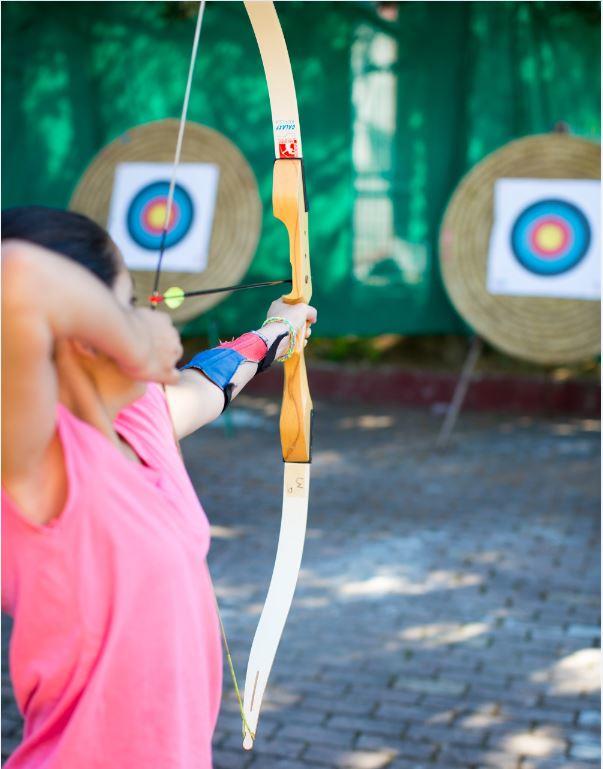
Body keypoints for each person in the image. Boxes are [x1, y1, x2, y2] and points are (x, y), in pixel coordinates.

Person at [1, 206, 317, 769]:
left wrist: (274, 334)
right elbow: (15, 272)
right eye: (124, 306)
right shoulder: (35, 462)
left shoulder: (136, 414)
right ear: (76, 334)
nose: (147, 316)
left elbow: (208, 383)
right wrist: (137, 340)